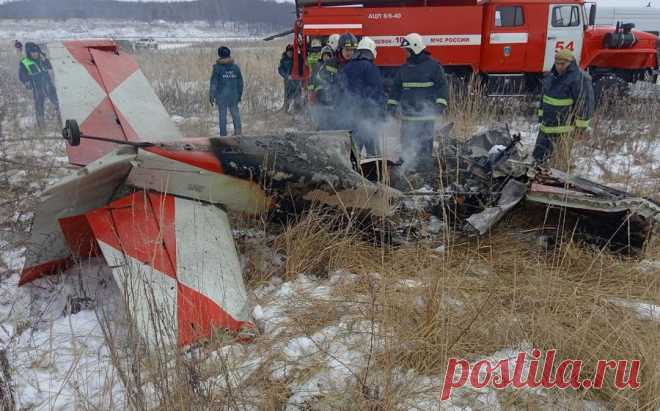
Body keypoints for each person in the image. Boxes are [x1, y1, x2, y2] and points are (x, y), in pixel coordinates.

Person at [388, 33, 449, 173]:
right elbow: (395, 90)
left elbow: (443, 87)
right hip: (408, 118)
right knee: (406, 150)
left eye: (407, 50)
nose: (405, 53)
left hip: (426, 119)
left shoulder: (434, 67)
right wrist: (391, 106)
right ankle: (405, 175)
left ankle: (425, 178)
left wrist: (440, 105)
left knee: (424, 152)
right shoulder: (404, 69)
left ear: (415, 48)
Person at [533, 49, 594, 163]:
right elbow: (544, 99)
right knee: (537, 160)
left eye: (563, 64)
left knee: (559, 163)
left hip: (564, 130)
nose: (559, 67)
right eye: (557, 63)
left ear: (570, 63)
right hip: (546, 128)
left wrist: (581, 128)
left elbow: (584, 103)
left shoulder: (580, 78)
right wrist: (541, 118)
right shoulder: (551, 77)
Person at [340, 36, 386, 155]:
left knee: (355, 149)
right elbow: (377, 92)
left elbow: (341, 90)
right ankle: (374, 170)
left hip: (350, 114)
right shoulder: (371, 67)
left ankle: (354, 170)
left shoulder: (347, 67)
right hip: (368, 114)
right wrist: (382, 111)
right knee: (372, 148)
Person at [18, 42, 59, 128]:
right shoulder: (24, 62)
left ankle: (61, 120)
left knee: (56, 102)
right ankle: (41, 125)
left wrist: (46, 60)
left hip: (48, 84)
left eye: (36, 52)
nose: (35, 54)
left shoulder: (42, 59)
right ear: (28, 53)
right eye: (32, 52)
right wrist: (26, 82)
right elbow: (22, 75)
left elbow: (51, 67)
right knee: (39, 106)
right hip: (37, 87)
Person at [209, 46, 243, 137]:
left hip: (221, 97)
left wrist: (211, 95)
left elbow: (214, 83)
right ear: (229, 54)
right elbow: (240, 83)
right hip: (234, 96)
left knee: (222, 117)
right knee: (236, 115)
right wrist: (239, 95)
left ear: (219, 55)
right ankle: (238, 134)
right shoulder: (235, 67)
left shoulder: (217, 68)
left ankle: (223, 137)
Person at [310, 45, 338, 130]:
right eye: (325, 55)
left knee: (331, 115)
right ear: (322, 56)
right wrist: (312, 93)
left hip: (331, 96)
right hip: (319, 95)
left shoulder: (333, 66)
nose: (327, 57)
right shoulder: (317, 66)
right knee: (320, 115)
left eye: (329, 55)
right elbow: (312, 80)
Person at [278, 44, 302, 113]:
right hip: (288, 81)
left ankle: (297, 109)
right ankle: (286, 109)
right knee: (287, 95)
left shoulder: (297, 58)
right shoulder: (283, 60)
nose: (290, 53)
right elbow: (280, 70)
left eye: (291, 52)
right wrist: (286, 76)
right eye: (288, 52)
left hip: (296, 81)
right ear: (286, 52)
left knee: (297, 94)